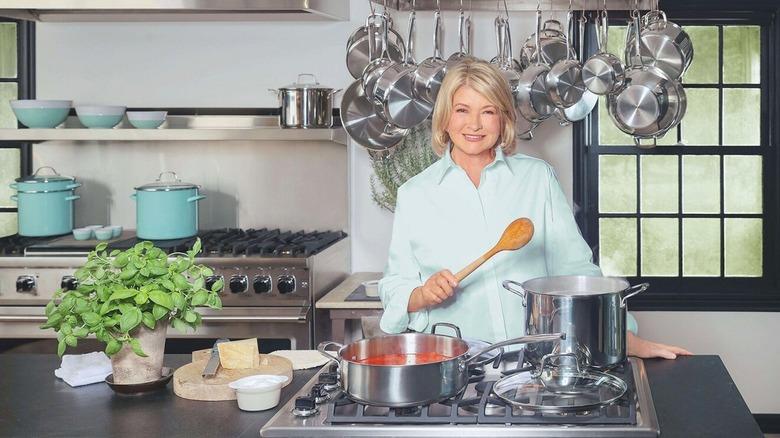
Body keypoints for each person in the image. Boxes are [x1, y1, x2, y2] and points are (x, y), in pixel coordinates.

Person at [378, 57, 691, 360]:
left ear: (503, 119)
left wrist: (625, 338)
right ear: (445, 117)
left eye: (488, 111)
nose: (474, 124)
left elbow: (574, 270)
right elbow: (395, 285)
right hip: (452, 364)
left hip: (536, 360)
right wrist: (420, 294)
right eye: (462, 110)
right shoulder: (415, 194)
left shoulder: (536, 178)